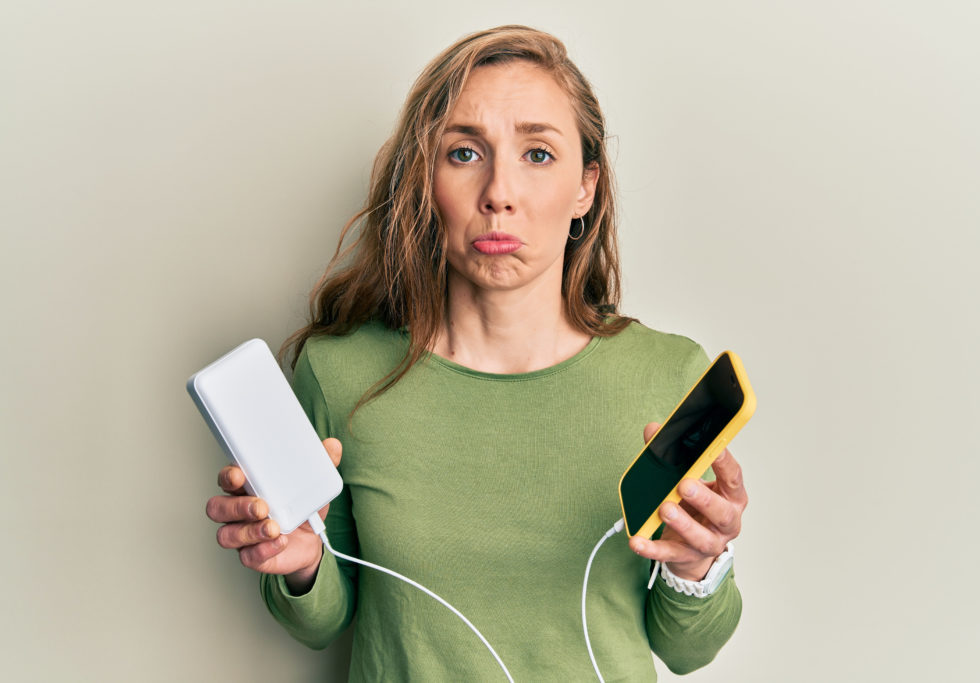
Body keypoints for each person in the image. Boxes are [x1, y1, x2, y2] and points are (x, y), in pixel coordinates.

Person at [205, 25, 748, 681]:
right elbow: (321, 620)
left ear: (586, 188)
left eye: (538, 154)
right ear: (426, 180)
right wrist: (300, 563)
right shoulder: (341, 372)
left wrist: (696, 565)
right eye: (464, 153)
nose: (499, 193)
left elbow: (686, 648)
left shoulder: (668, 376)